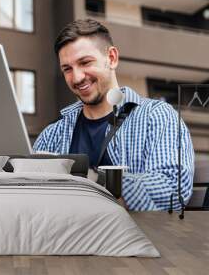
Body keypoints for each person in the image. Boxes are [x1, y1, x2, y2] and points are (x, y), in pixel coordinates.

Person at [33, 19, 194, 211]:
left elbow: (172, 188)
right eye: (67, 69)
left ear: (111, 58)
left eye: (85, 62)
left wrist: (96, 180)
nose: (76, 78)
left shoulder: (157, 116)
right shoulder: (52, 133)